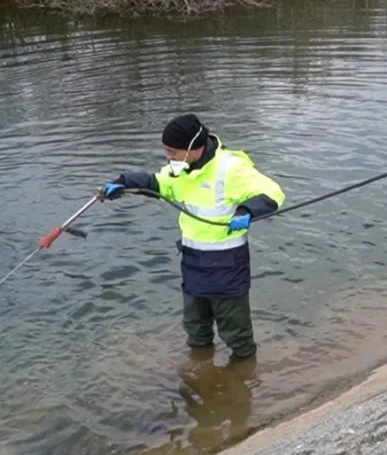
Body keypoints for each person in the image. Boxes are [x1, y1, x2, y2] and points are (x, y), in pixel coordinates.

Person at [98, 114, 286, 356]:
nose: (168, 156)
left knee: (235, 333)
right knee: (196, 330)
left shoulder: (230, 168)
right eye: (166, 150)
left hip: (227, 265)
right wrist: (124, 183)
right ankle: (199, 372)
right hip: (193, 262)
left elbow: (272, 192)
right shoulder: (181, 169)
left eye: (172, 151)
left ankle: (244, 380)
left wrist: (247, 211)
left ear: (194, 148)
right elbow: (159, 184)